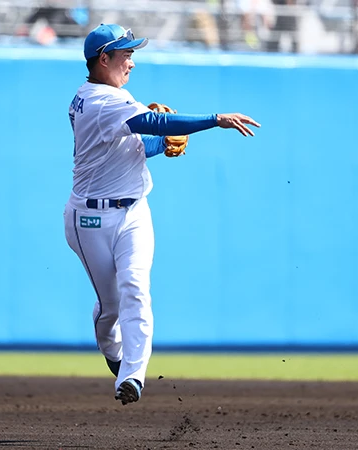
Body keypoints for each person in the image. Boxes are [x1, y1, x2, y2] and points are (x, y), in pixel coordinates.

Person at [63, 23, 260, 405]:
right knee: (110, 307)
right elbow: (152, 122)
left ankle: (132, 376)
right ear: (104, 59)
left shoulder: (110, 95)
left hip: (133, 212)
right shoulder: (99, 100)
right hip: (90, 220)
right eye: (127, 54)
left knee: (136, 288)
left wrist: (159, 144)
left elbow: (129, 148)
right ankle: (114, 354)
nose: (132, 62)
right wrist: (214, 119)